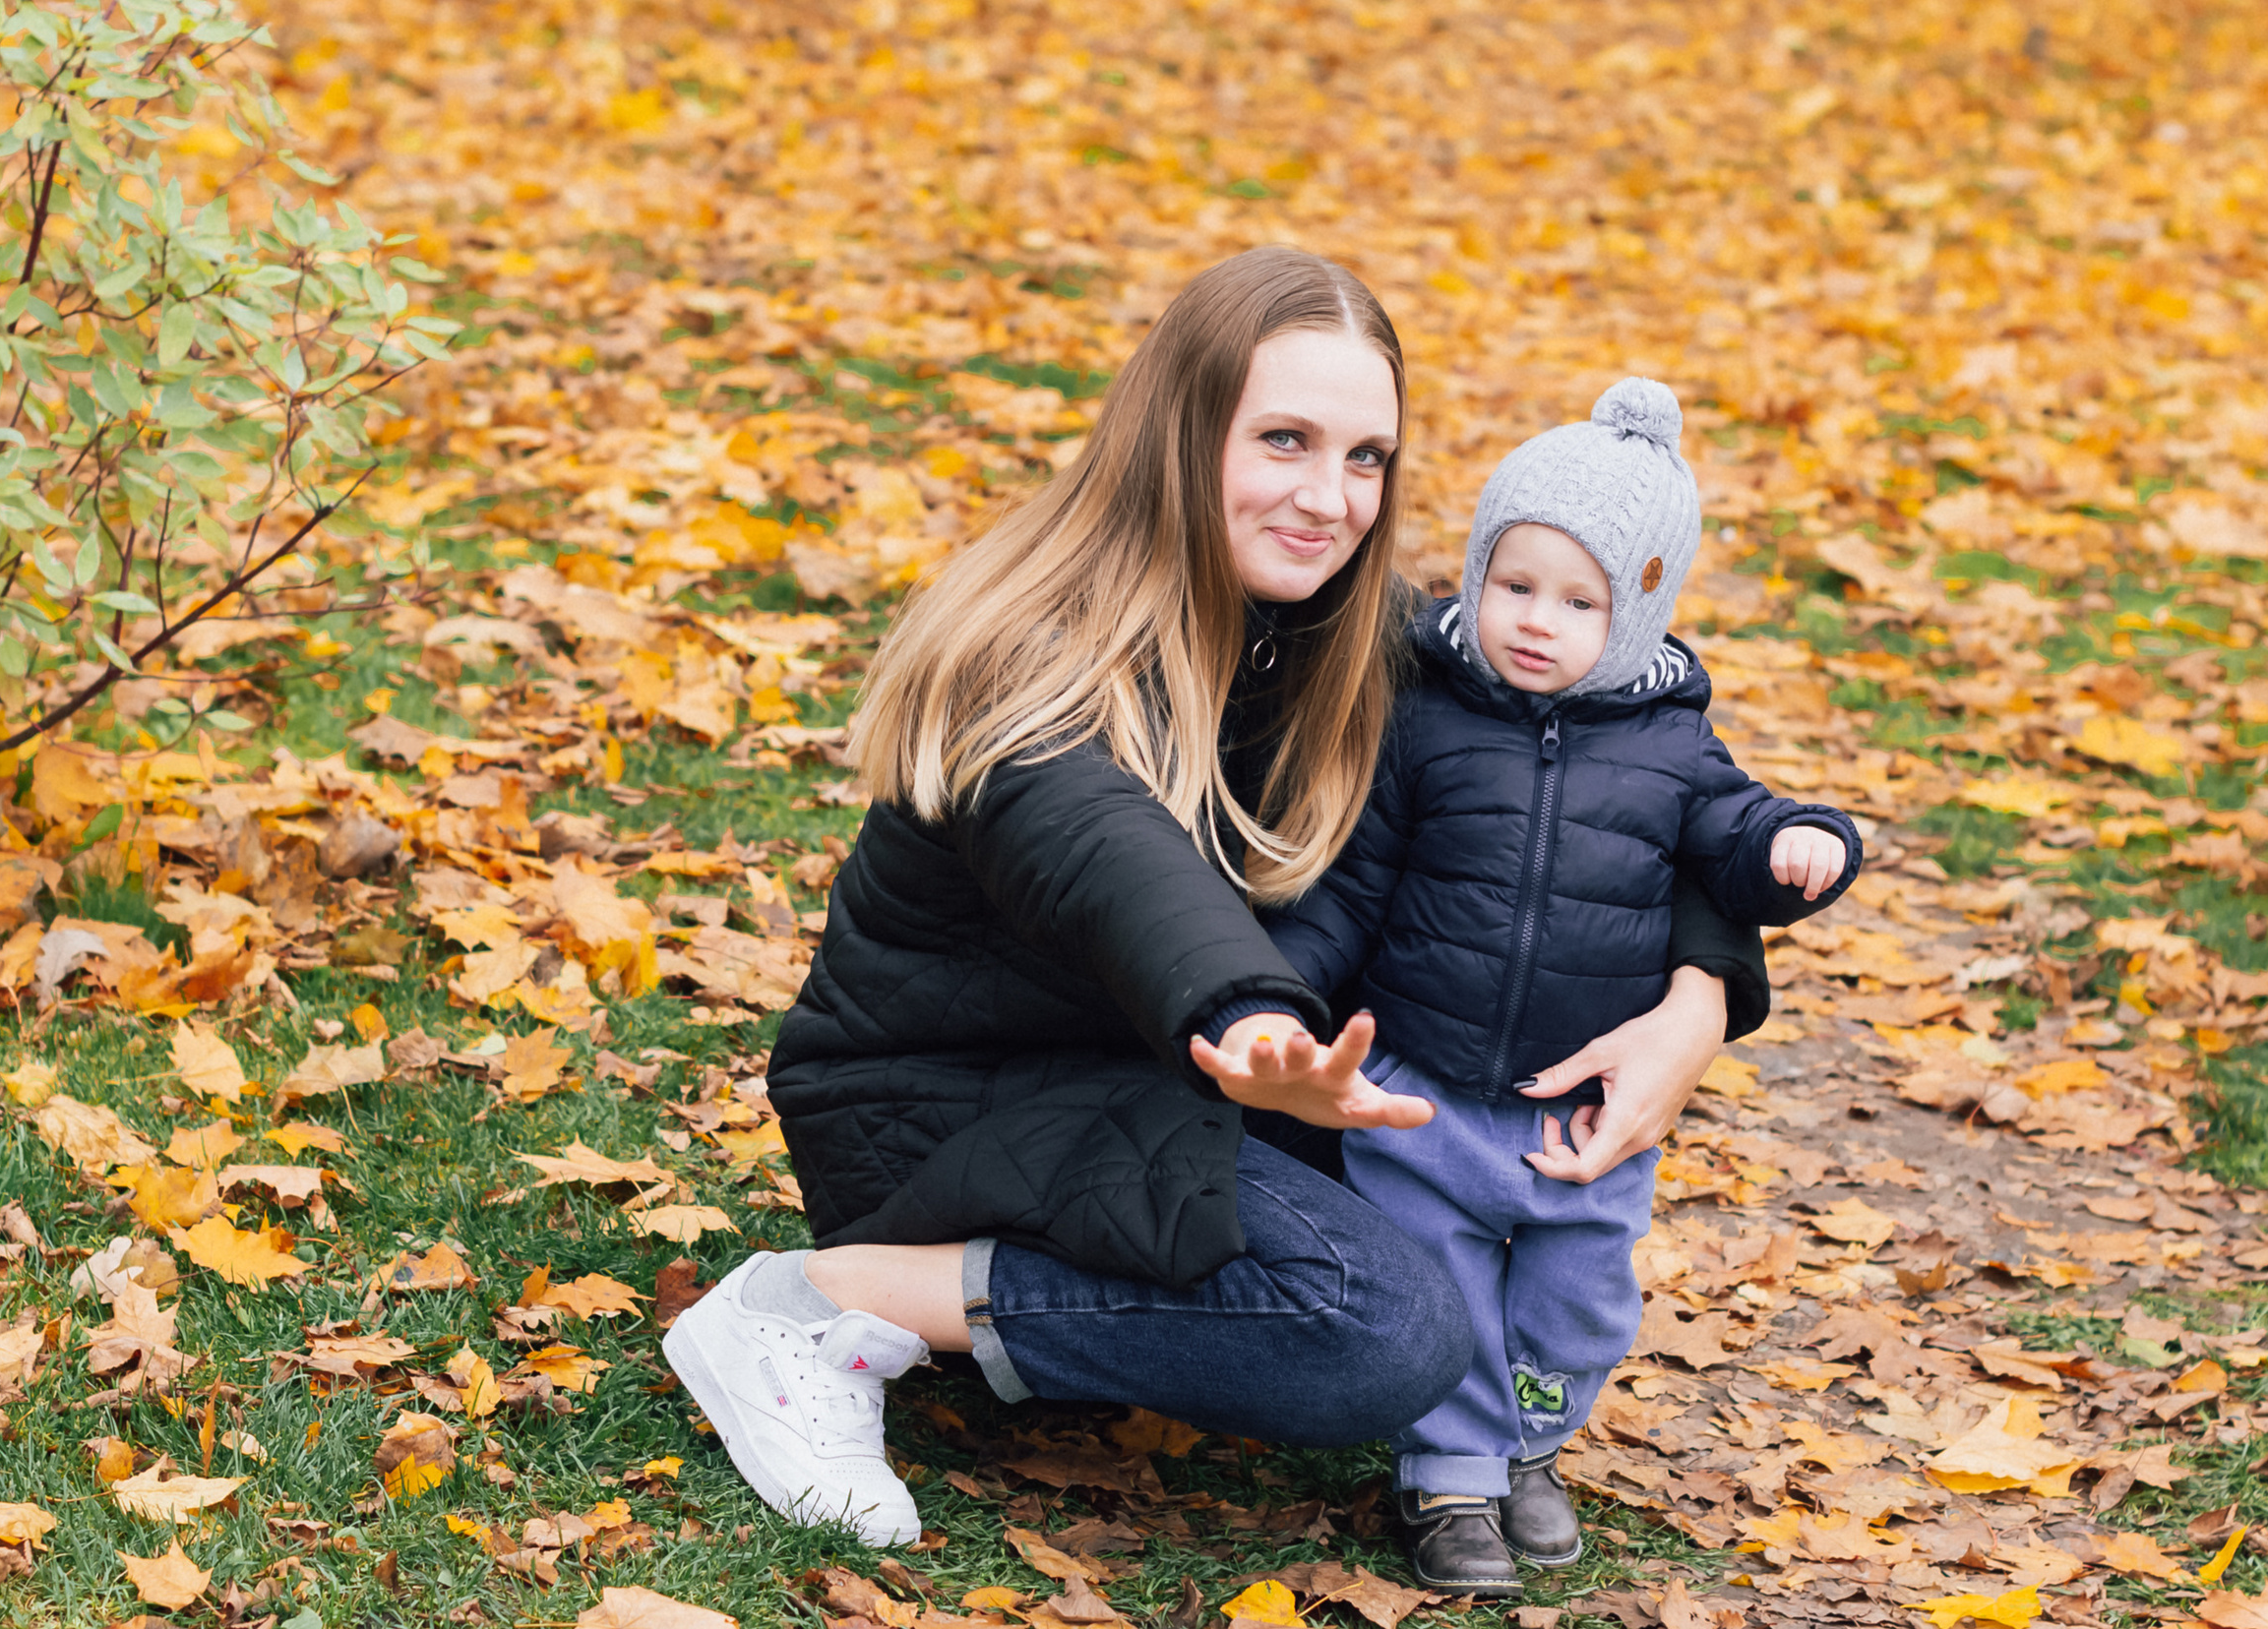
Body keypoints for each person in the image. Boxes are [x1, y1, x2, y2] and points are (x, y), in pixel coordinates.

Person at [661, 249, 1773, 1548]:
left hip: (1175, 1077)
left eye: (1366, 457)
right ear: (1186, 433)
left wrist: (1698, 999)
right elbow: (1110, 859)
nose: (1329, 496)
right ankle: (811, 1306)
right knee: (1392, 1333)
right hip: (955, 1103)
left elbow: (1611, 780)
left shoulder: (1350, 638)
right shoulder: (1031, 657)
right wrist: (1255, 1026)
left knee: (1452, 1192)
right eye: (1285, 439)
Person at [1252, 378, 1861, 1595]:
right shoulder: (1422, 721)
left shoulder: (1671, 744)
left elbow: (1736, 834)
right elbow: (1354, 888)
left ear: (1634, 618)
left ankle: (1531, 1443)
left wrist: (1804, 845)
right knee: (1449, 1286)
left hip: (1575, 1113)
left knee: (1579, 1301)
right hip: (1421, 1090)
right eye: (1512, 584)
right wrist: (1284, 997)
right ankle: (1451, 1476)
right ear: (1475, 572)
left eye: (1579, 601)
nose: (1536, 621)